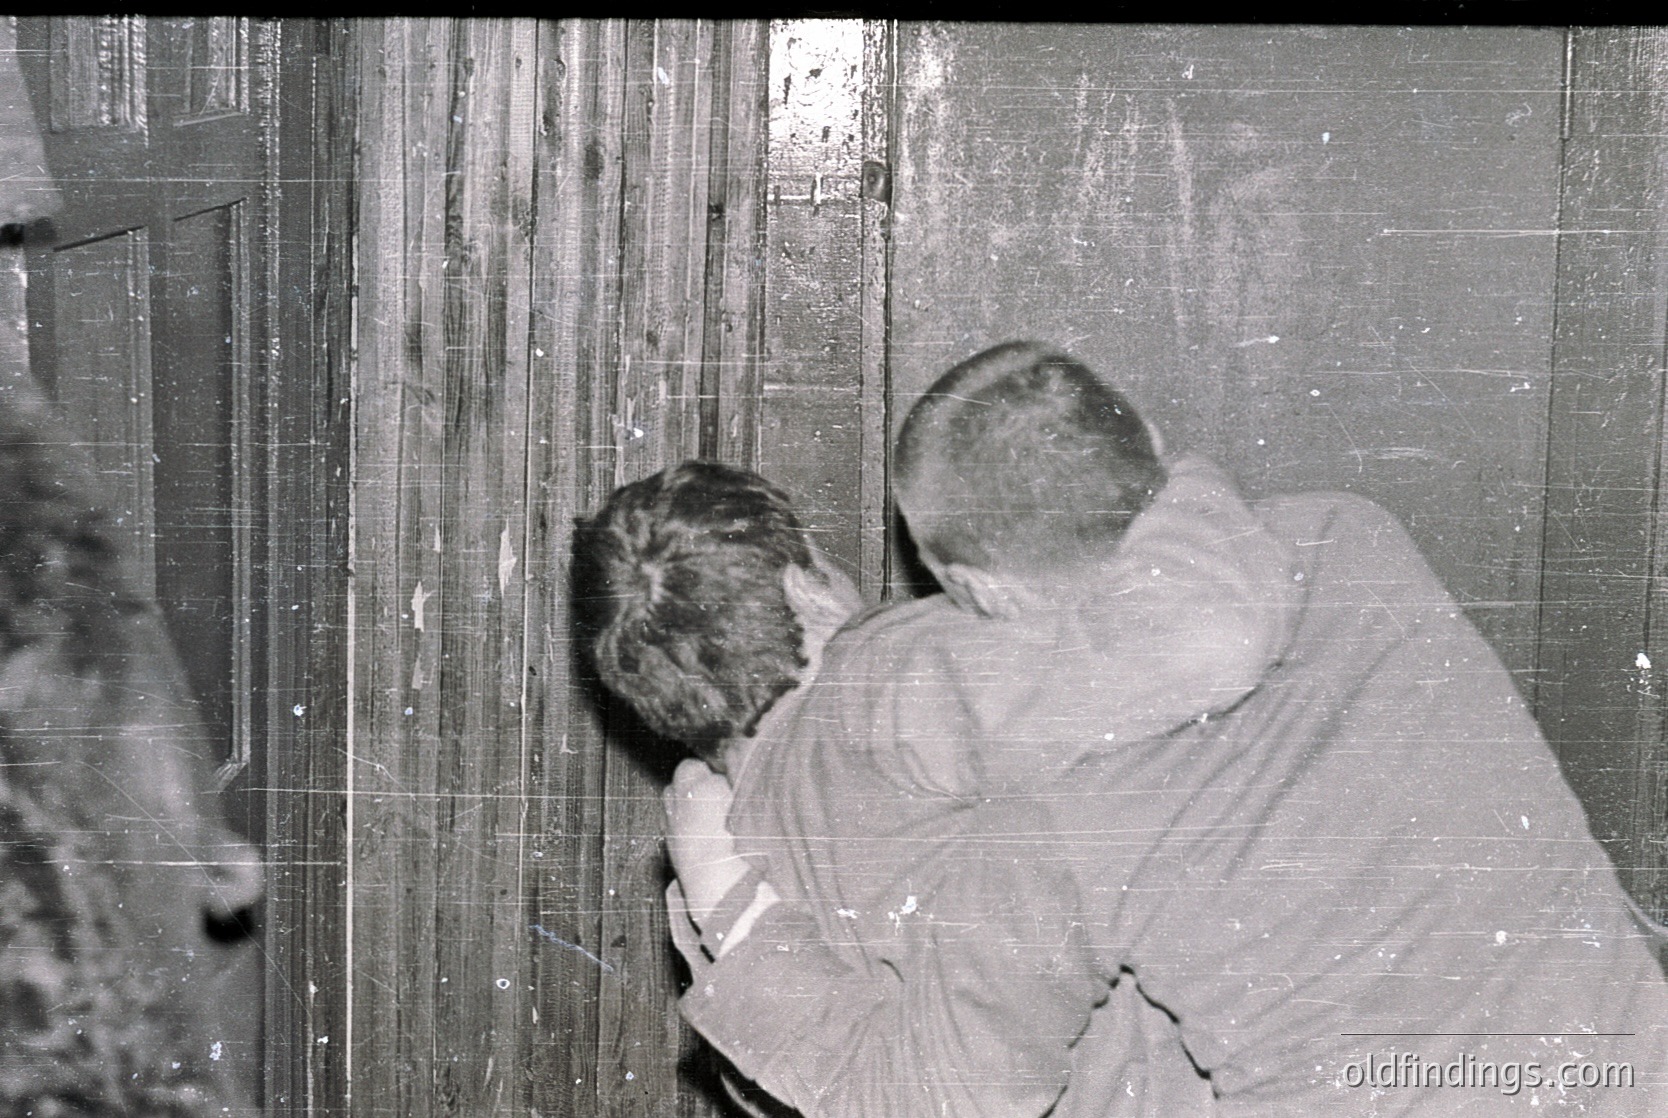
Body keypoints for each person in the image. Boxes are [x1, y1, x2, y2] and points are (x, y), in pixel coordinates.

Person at [582, 342, 1668, 1116]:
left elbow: (934, 1095)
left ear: (972, 589)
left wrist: (727, 898)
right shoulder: (1351, 535)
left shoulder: (1049, 812)